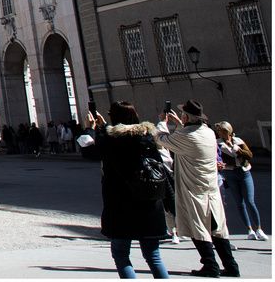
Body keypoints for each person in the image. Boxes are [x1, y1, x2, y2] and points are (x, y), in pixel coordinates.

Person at [78, 101, 170, 279]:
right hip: (150, 204)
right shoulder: (147, 137)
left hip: (121, 206)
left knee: (121, 254)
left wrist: (90, 129)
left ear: (113, 117)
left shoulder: (111, 141)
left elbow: (89, 152)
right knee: (153, 256)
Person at [157, 101, 240, 278]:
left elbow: (160, 139)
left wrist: (162, 122)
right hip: (210, 188)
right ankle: (231, 266)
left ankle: (210, 265)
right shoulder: (209, 133)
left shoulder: (185, 136)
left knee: (198, 228)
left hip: (193, 189)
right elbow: (187, 134)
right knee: (217, 228)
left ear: (186, 117)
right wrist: (180, 124)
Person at [214, 122, 266, 241]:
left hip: (244, 172)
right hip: (230, 173)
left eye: (220, 130)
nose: (218, 132)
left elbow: (249, 155)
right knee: (240, 203)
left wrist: (236, 150)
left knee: (250, 201)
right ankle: (249, 230)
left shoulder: (238, 141)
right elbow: (219, 158)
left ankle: (259, 229)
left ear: (227, 131)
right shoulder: (218, 143)